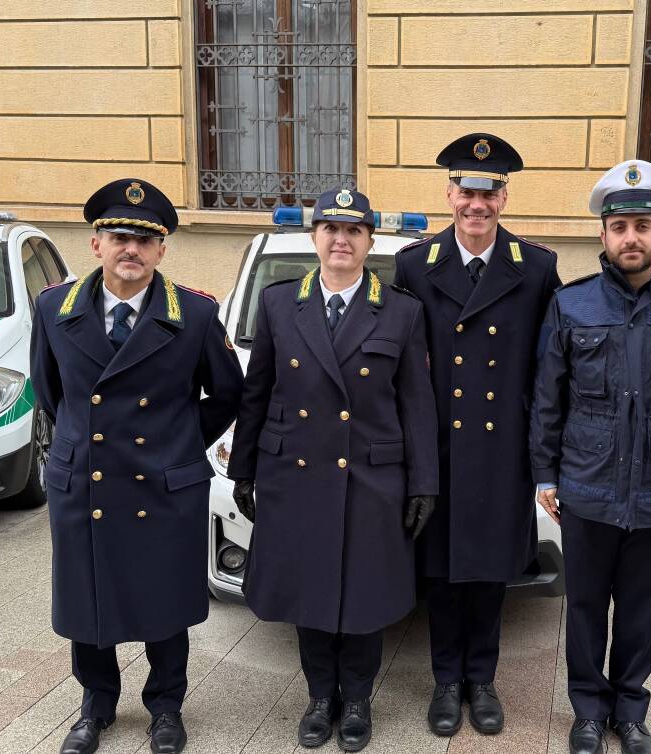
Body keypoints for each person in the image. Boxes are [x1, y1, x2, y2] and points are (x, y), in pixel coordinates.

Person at [30, 179, 244, 754]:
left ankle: (166, 707)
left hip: (163, 484)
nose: (132, 249)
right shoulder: (55, 308)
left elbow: (228, 394)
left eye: (145, 240)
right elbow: (49, 392)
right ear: (96, 243)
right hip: (86, 480)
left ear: (162, 250)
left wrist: (176, 443)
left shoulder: (195, 315)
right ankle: (95, 705)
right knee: (86, 596)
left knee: (165, 601)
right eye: (120, 236)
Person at [227, 188, 439, 752]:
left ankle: (359, 699)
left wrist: (423, 482)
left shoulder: (400, 309)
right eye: (331, 229)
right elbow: (258, 392)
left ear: (370, 242)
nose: (341, 240)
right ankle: (321, 696)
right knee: (310, 590)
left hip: (372, 476)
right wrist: (243, 467)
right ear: (315, 237)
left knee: (365, 594)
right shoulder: (277, 304)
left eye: (354, 231)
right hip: (296, 473)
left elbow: (416, 403)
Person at [528, 160, 651, 754]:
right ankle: (588, 709)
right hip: (587, 482)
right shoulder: (572, 304)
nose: (630, 237)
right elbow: (546, 397)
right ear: (603, 237)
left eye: (642, 224)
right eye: (619, 227)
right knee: (584, 604)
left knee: (643, 608)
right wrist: (544, 474)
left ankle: (629, 708)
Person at [394, 133, 561, 737]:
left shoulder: (536, 267)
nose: (476, 204)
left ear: (504, 198)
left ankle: (481, 680)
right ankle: (446, 680)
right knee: (439, 572)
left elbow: (550, 368)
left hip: (501, 449)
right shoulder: (416, 264)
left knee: (490, 572)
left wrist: (546, 457)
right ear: (449, 193)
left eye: (488, 193)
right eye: (466, 190)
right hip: (438, 446)